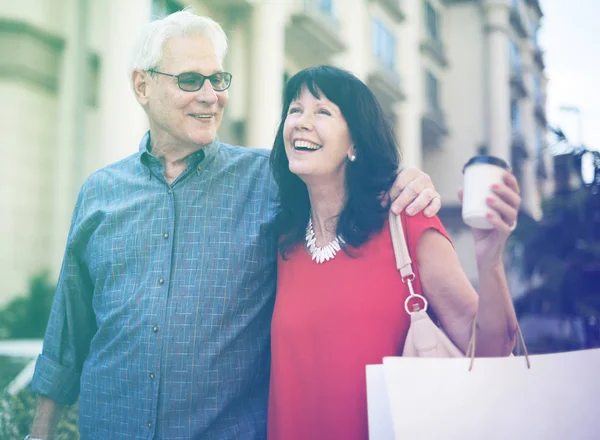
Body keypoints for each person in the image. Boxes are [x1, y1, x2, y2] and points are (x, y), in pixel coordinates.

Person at [27, 10, 442, 440]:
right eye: (190, 80)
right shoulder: (100, 192)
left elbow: (343, 177)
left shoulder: (273, 181)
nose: (211, 96)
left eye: (218, 79)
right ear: (142, 86)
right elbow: (67, 336)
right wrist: (38, 434)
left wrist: (406, 179)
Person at [267, 66, 521, 440]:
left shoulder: (407, 225)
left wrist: (490, 260)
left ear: (355, 144)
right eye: (295, 110)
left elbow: (493, 349)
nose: (302, 122)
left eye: (322, 111)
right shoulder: (284, 243)